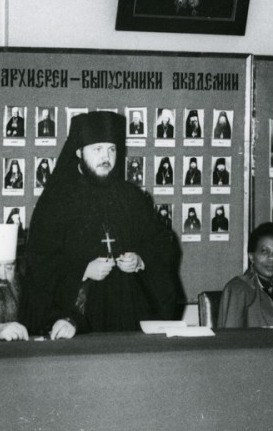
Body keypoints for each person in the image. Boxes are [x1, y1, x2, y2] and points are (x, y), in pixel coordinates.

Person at [23, 111, 179, 334]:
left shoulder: (131, 197)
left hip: (129, 313)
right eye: (97, 149)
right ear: (79, 151)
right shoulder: (56, 201)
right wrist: (83, 270)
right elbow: (39, 264)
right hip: (78, 319)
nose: (106, 157)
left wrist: (140, 260)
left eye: (111, 149)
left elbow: (161, 244)